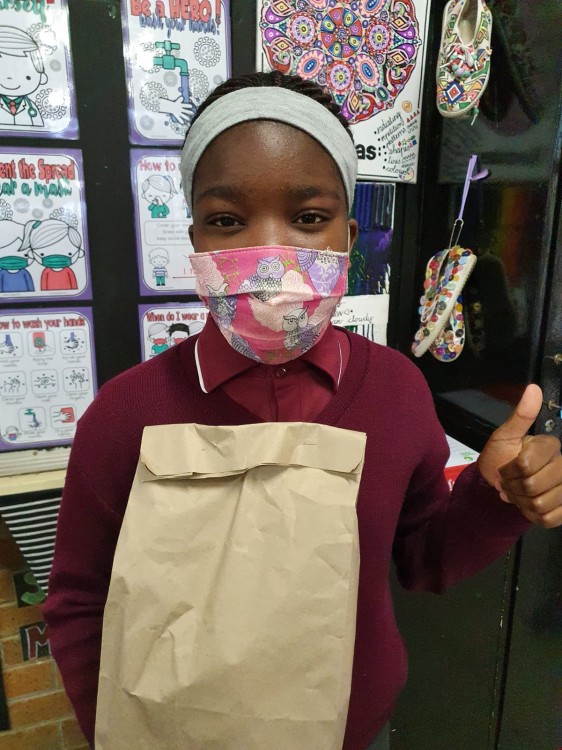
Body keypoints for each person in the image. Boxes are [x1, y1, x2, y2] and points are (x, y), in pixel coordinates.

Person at [44, 71, 562, 750]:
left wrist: (496, 499)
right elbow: (81, 603)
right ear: (195, 239)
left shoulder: (395, 394)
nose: (271, 256)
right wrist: (122, 732)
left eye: (309, 218)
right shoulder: (123, 416)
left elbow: (423, 558)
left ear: (349, 236)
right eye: (227, 221)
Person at [0, 26, 47, 127]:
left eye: (27, 77)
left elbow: (39, 127)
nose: (10, 79)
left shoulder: (32, 108)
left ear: (42, 78)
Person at [21, 218, 84, 291]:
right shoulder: (46, 271)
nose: (55, 259)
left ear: (80, 252)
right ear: (31, 253)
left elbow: (74, 286)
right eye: (42, 254)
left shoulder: (68, 271)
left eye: (69, 253)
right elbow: (43, 287)